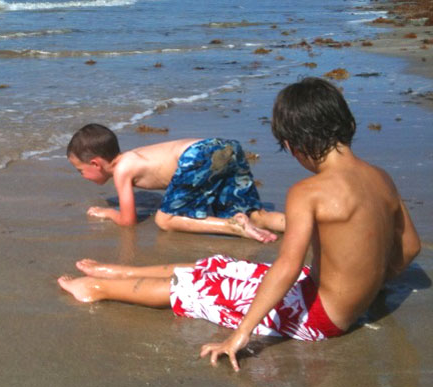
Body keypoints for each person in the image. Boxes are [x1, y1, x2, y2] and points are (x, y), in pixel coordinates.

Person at [58, 77, 421, 370]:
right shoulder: (381, 177)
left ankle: (99, 289)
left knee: (199, 289)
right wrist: (370, 284)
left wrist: (241, 334)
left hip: (320, 318)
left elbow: (287, 266)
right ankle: (118, 272)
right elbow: (409, 248)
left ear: (294, 145)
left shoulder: (309, 191)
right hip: (329, 300)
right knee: (225, 267)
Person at [66, 123, 284, 242]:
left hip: (196, 154)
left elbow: (128, 220)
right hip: (224, 147)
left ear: (95, 164)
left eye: (80, 171)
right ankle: (301, 223)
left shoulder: (122, 169)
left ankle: (234, 226)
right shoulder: (133, 156)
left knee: (165, 220)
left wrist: (108, 213)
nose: (82, 176)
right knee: (256, 215)